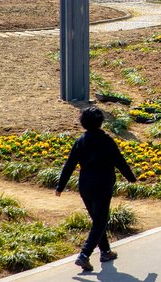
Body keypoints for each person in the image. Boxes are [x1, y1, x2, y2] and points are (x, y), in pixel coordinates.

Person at [55, 106, 137, 273]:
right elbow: (119, 161)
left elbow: (69, 165)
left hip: (85, 186)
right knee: (100, 221)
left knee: (97, 220)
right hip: (102, 185)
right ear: (101, 122)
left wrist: (60, 186)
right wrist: (131, 178)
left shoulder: (80, 142)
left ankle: (105, 252)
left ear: (83, 123)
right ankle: (84, 254)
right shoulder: (106, 140)